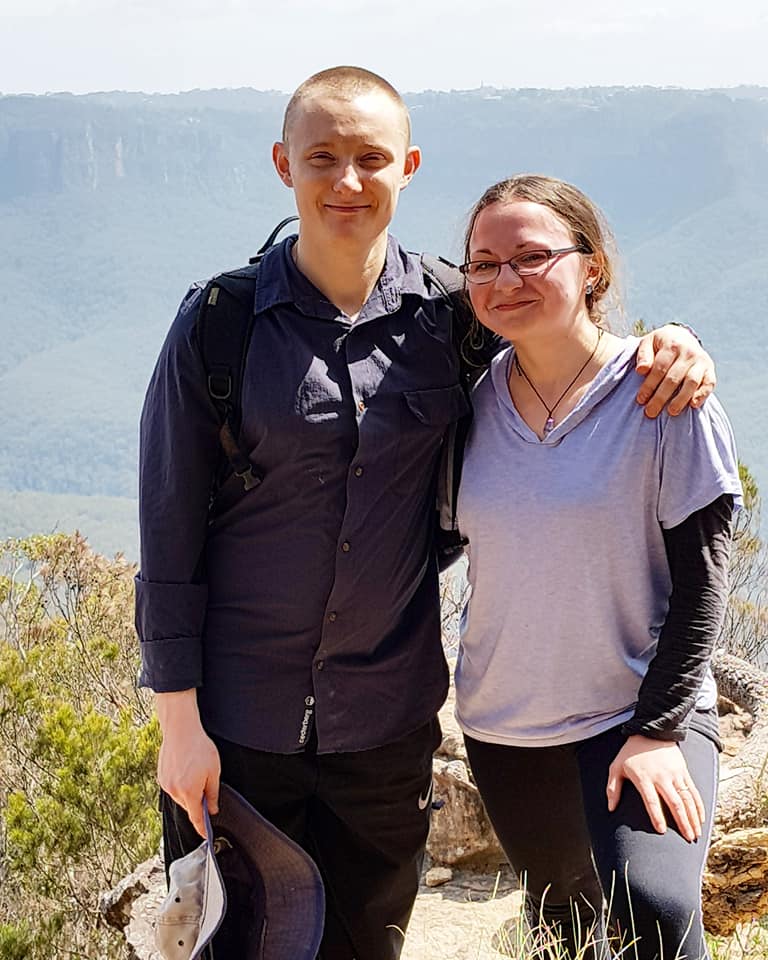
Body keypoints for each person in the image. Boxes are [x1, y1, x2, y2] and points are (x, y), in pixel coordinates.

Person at [135, 67, 717, 960]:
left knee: (370, 945)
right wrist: (179, 727)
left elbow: (562, 342)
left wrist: (677, 343)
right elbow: (168, 532)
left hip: (385, 726)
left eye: (371, 158)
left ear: (407, 167)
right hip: (237, 725)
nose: (348, 180)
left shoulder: (455, 315)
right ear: (284, 164)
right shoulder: (222, 323)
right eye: (322, 158)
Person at [453, 174, 742, 960]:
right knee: (565, 929)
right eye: (484, 263)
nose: (505, 280)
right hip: (505, 726)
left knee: (655, 912)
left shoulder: (663, 396)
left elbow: (704, 581)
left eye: (532, 257)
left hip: (637, 711)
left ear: (593, 268)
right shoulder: (465, 405)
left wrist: (657, 731)